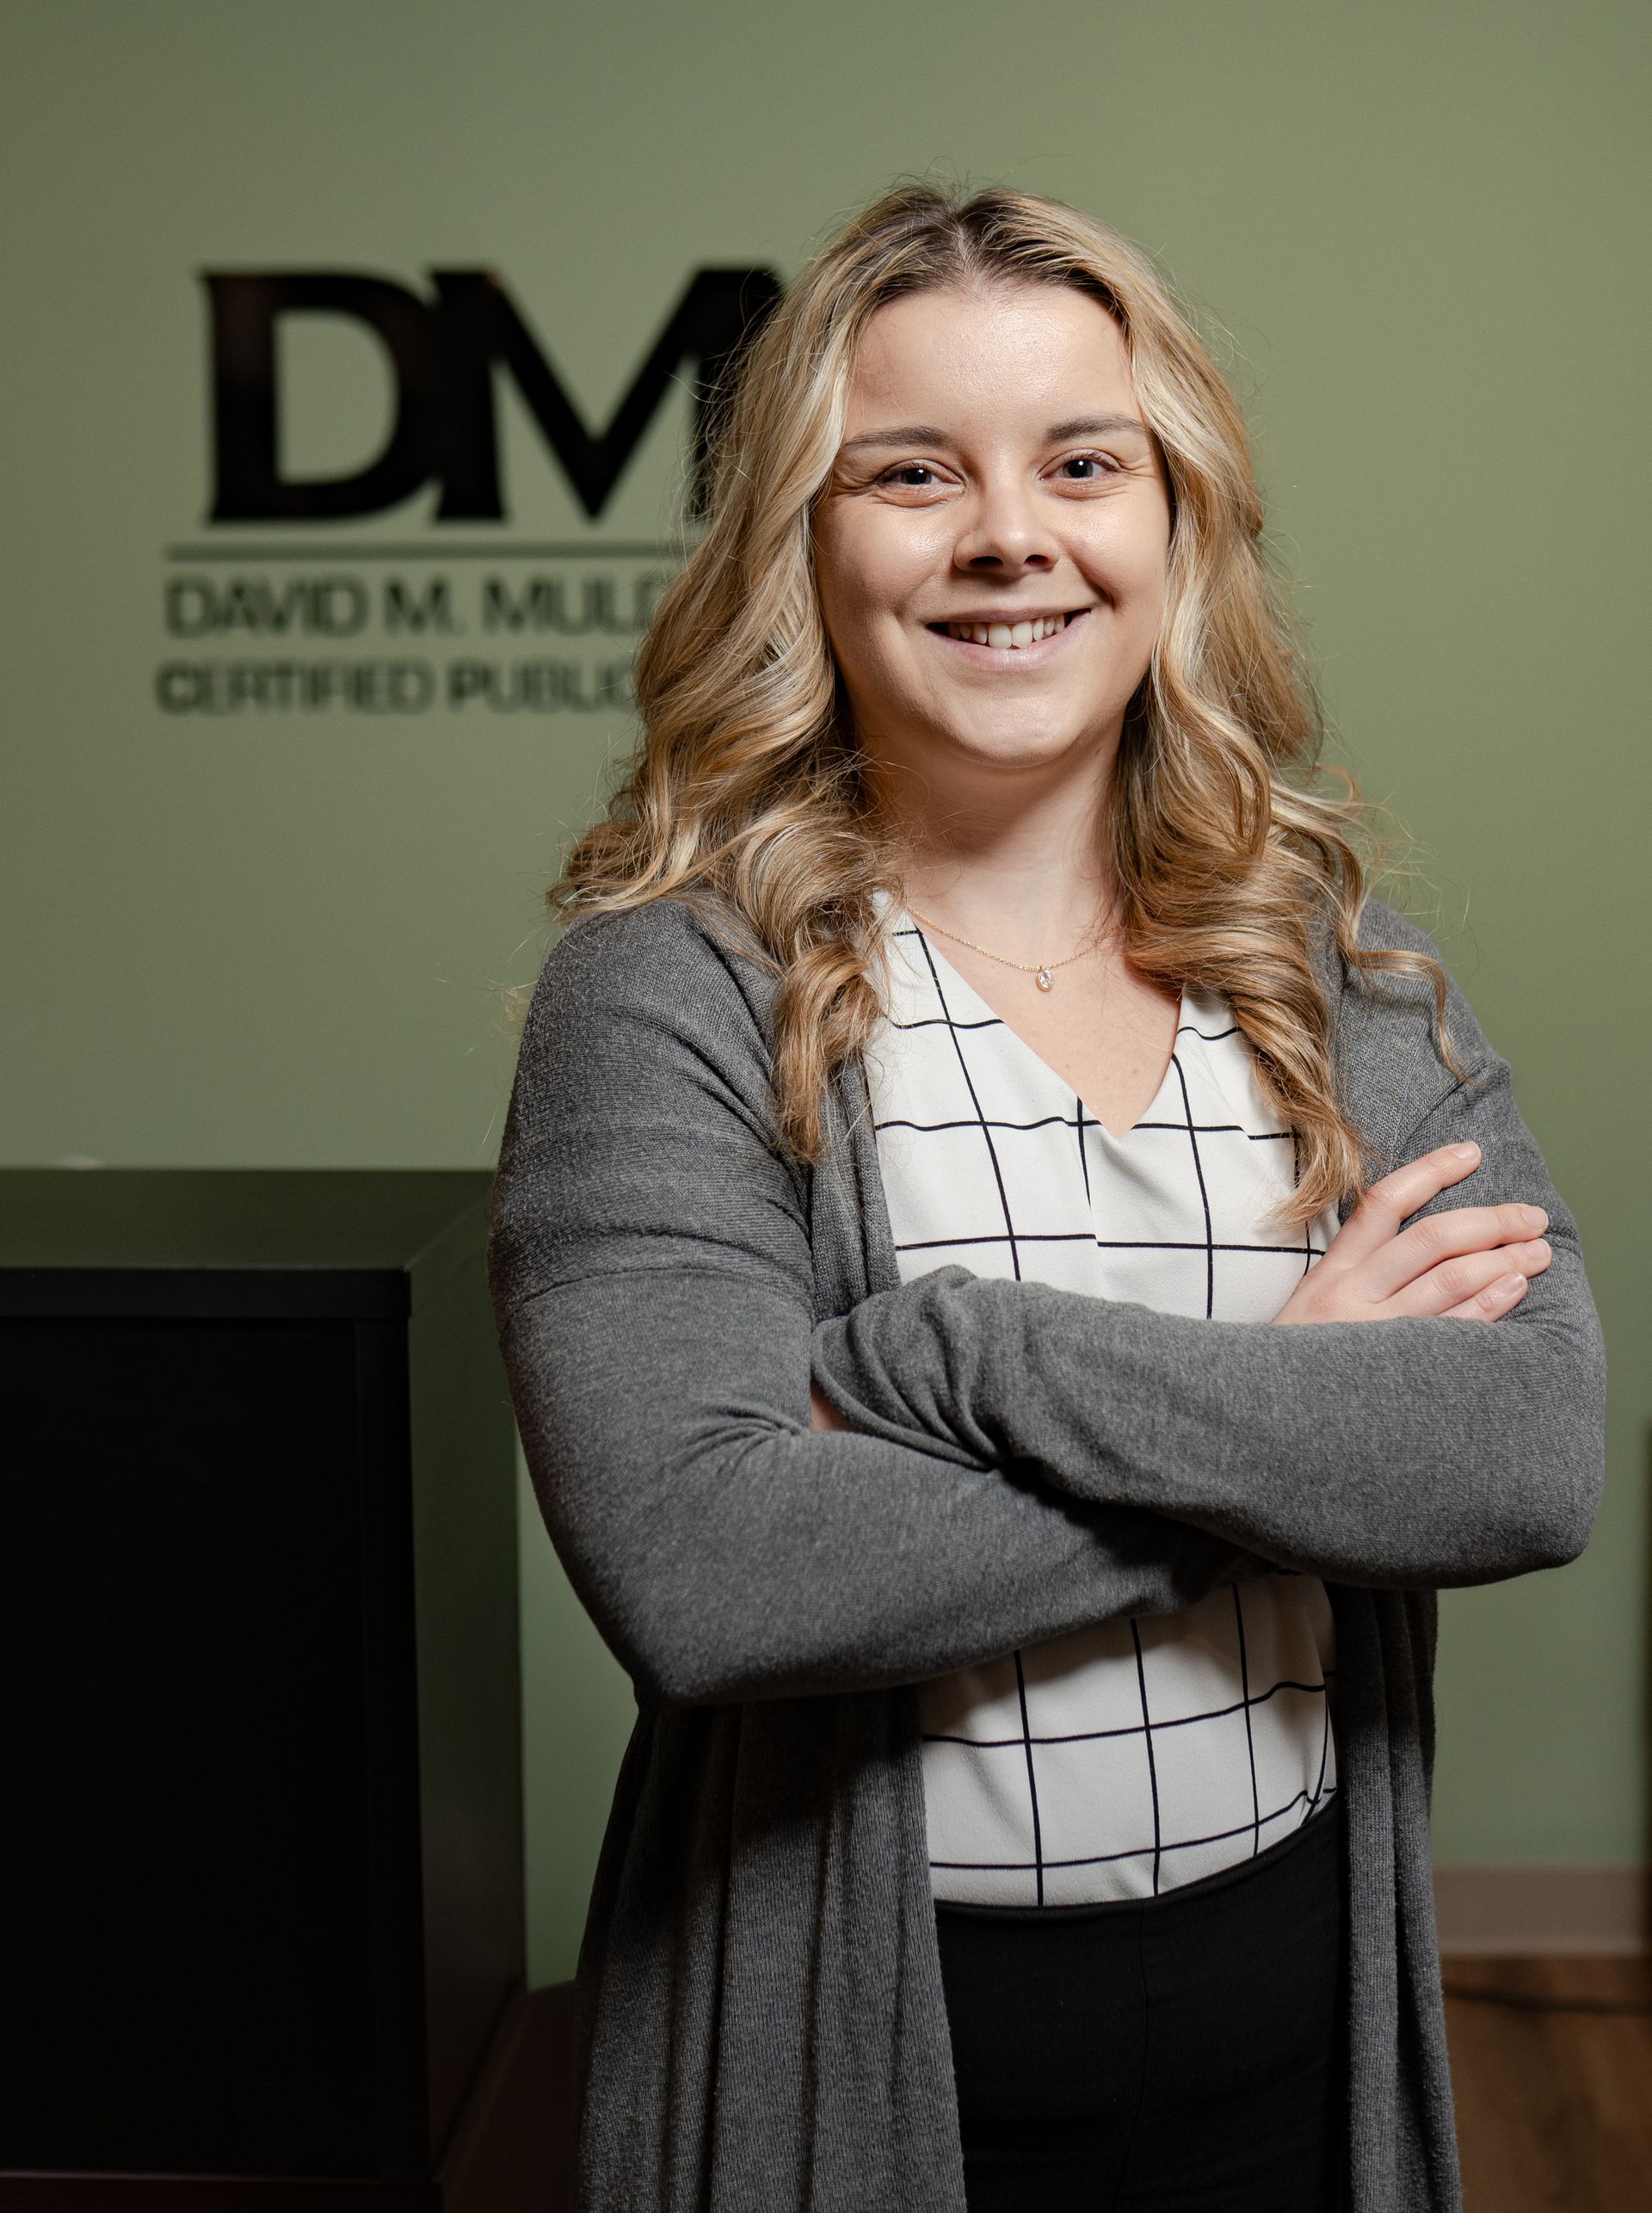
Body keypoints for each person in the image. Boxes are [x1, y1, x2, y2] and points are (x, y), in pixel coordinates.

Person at [486, 184, 1605, 2213]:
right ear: (804, 546)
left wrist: (950, 1358)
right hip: (867, 2042)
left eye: (1081, 461)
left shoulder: (1338, 969)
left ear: (1170, 521)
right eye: (913, 473)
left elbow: (1524, 1451)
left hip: (1295, 2005)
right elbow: (710, 1565)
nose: (1010, 532)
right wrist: (1299, 1403)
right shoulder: (666, 990)